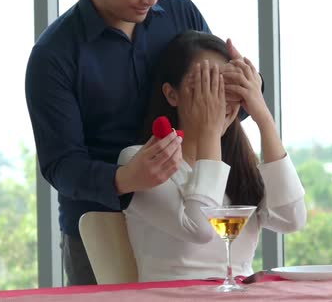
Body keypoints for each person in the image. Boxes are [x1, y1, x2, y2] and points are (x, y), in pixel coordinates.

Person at [25, 0, 246, 286]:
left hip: (188, 215)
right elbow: (60, 165)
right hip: (102, 226)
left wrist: (247, 87)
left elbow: (216, 110)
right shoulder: (54, 55)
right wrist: (124, 179)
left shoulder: (182, 13)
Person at [118, 30, 306, 282]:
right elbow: (201, 228)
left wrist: (262, 115)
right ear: (171, 94)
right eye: (206, 86)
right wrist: (210, 132)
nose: (218, 98)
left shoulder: (239, 163)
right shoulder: (140, 160)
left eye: (226, 86)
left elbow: (291, 219)